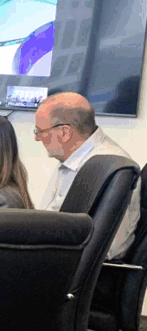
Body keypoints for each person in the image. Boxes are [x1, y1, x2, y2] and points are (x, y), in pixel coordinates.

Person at [36, 92, 140, 260]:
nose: (37, 138)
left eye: (40, 131)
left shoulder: (110, 166)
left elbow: (109, 247)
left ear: (64, 132)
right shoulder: (73, 157)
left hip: (81, 273)